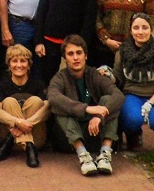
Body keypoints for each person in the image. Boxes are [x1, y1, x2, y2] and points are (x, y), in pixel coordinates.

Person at [47, 35, 124, 177]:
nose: (75, 57)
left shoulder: (94, 74)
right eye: (71, 54)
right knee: (60, 107)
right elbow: (53, 97)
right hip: (70, 137)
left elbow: (118, 95)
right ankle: (83, 157)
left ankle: (105, 154)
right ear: (65, 58)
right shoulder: (60, 77)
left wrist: (100, 115)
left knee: (109, 100)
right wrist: (87, 108)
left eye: (79, 53)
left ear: (86, 56)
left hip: (95, 132)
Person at [108, 12, 154, 153]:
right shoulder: (122, 52)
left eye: (145, 27)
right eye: (136, 28)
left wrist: (150, 103)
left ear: (151, 30)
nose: (140, 32)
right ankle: (133, 135)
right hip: (132, 95)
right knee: (129, 118)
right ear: (130, 31)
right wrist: (108, 75)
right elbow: (118, 78)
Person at [0, 44, 50, 168]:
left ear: (29, 64)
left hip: (36, 138)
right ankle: (28, 146)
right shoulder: (2, 85)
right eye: (14, 61)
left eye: (23, 61)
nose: (19, 65)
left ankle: (27, 142)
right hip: (5, 138)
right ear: (8, 64)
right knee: (9, 101)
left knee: (35, 101)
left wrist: (27, 123)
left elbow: (47, 109)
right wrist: (17, 122)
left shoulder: (38, 84)